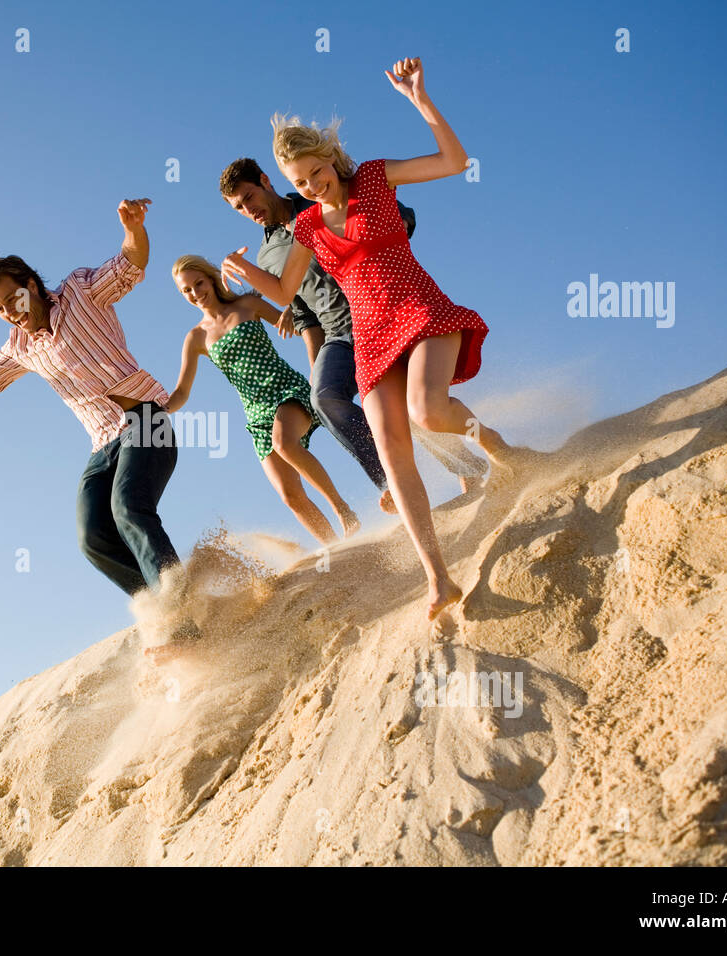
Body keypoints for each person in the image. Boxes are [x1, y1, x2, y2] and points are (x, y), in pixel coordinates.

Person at [223, 58, 520, 620]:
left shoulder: (376, 179)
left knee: (428, 413)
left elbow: (455, 163)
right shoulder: (305, 226)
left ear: (331, 159)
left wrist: (420, 101)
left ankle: (494, 444)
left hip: (419, 308)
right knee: (391, 447)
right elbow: (288, 292)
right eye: (301, 182)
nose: (312, 186)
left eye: (316, 173)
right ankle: (439, 579)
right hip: (370, 333)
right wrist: (242, 276)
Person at [0, 198, 191, 623]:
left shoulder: (81, 292)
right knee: (92, 537)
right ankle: (163, 614)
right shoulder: (20, 348)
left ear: (30, 283)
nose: (9, 313)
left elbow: (129, 264)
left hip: (146, 421)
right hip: (103, 445)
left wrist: (134, 228)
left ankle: (182, 605)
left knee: (129, 508)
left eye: (12, 299)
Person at [218, 157, 488, 514]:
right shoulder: (268, 255)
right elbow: (304, 314)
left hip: (382, 314)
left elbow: (399, 214)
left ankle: (470, 467)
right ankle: (389, 478)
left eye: (249, 197)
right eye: (238, 207)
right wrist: (317, 372)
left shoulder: (320, 196)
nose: (248, 209)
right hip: (339, 335)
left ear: (266, 181)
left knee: (410, 407)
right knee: (325, 397)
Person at [167, 255, 359, 545]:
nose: (196, 293)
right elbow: (182, 392)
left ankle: (344, 511)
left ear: (211, 279)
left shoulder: (247, 305)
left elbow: (296, 325)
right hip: (255, 414)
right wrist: (157, 410)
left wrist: (291, 312)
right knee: (290, 496)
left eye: (199, 283)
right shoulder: (195, 338)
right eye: (187, 290)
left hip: (284, 390)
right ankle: (338, 550)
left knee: (285, 444)